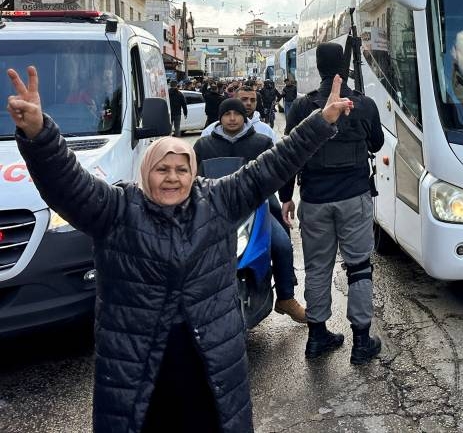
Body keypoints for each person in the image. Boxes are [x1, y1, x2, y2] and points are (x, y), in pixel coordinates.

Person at [6, 65, 353, 433]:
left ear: (193, 172)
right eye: (162, 169)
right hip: (137, 374)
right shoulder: (116, 210)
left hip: (211, 370)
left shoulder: (218, 200)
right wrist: (39, 133)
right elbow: (68, 184)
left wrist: (321, 121)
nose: (172, 177)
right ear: (145, 173)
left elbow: (273, 165)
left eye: (180, 169)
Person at [280, 42, 385, 364]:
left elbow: (290, 152)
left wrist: (286, 197)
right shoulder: (363, 104)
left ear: (318, 67)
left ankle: (317, 336)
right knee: (359, 267)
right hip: (354, 197)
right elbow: (377, 143)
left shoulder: (301, 107)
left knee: (317, 268)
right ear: (345, 67)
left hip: (314, 199)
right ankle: (362, 340)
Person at [194, 97, 307, 324]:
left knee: (282, 244)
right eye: (227, 114)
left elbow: (279, 170)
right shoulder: (203, 146)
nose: (232, 118)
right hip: (214, 211)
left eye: (236, 114)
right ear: (220, 117)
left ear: (244, 117)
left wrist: (282, 195)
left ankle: (286, 296)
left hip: (258, 207)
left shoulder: (262, 142)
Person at [202, 84, 277, 144]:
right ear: (234, 100)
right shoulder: (211, 131)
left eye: (252, 100)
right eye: (244, 99)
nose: (249, 103)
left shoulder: (266, 131)